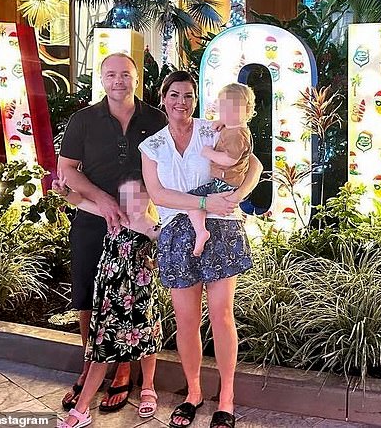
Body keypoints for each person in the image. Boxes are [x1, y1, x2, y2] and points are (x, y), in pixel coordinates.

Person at [140, 71, 262, 428]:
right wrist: (206, 202)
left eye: (189, 96)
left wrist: (239, 194)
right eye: (174, 95)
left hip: (222, 229)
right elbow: (159, 196)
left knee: (222, 314)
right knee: (187, 319)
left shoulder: (213, 130)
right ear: (162, 98)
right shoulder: (152, 146)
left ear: (196, 100)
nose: (182, 102)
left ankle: (227, 397)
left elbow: (252, 162)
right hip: (178, 233)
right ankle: (193, 392)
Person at [58, 53, 166, 412]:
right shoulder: (83, 120)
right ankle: (90, 363)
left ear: (137, 78)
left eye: (125, 74)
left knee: (132, 299)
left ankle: (122, 369)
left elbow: (169, 167)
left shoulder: (156, 119)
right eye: (110, 74)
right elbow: (68, 171)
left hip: (138, 225)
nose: (118, 80)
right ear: (101, 79)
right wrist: (102, 201)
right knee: (87, 297)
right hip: (93, 220)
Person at [54, 171, 162, 427]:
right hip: (110, 294)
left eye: (139, 195)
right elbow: (82, 202)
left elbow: (169, 246)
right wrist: (65, 192)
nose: (132, 201)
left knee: (147, 335)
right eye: (127, 196)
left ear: (149, 199)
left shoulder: (151, 226)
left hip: (139, 294)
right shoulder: (114, 216)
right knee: (102, 346)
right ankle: (82, 410)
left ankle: (149, 386)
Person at [187, 83, 255, 257]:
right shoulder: (232, 128)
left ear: (247, 111)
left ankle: (201, 231)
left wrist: (209, 152)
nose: (227, 112)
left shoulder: (238, 134)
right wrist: (221, 122)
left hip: (226, 182)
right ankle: (201, 230)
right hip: (224, 180)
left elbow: (230, 159)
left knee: (193, 200)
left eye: (234, 108)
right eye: (224, 107)